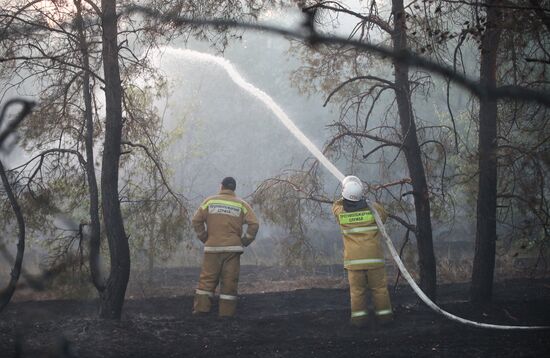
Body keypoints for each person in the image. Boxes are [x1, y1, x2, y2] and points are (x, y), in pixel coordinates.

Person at [191, 176, 259, 317]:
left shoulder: (209, 202)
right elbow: (254, 224)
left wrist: (204, 237)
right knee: (229, 282)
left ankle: (201, 310)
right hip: (232, 250)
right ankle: (226, 314)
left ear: (221, 186)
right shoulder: (241, 204)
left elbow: (196, 220)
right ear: (234, 188)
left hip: (212, 248)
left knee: (207, 279)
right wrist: (245, 240)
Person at [332, 175, 393, 328]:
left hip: (354, 262)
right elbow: (383, 215)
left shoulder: (341, 214)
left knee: (357, 292)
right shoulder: (372, 211)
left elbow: (336, 205)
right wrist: (364, 199)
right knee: (379, 290)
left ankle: (359, 322)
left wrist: (345, 194)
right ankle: (385, 319)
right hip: (374, 259)